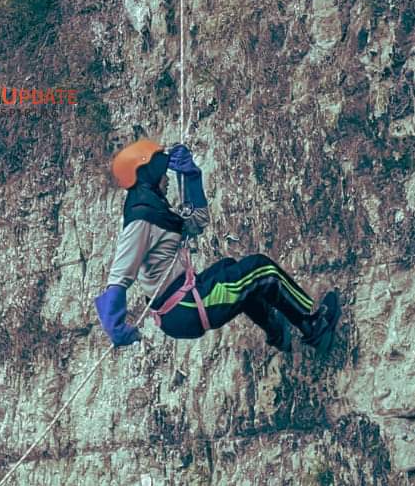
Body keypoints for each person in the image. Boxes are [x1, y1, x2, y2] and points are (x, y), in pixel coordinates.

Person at [95, 139, 340, 351]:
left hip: (181, 305)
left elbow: (198, 222)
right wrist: (114, 325)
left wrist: (192, 177)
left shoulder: (155, 210)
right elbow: (120, 274)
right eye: (162, 173)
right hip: (185, 306)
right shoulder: (142, 217)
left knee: (230, 268)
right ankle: (313, 326)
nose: (167, 180)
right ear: (150, 175)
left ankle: (277, 332)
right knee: (261, 269)